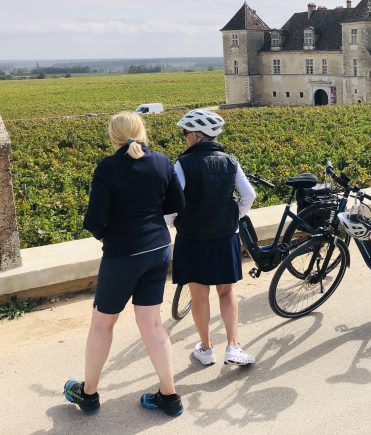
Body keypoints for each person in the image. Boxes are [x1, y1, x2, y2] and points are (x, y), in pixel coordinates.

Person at [65, 112, 185, 416]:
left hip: (123, 255)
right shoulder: (162, 161)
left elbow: (94, 220)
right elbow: (177, 205)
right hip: (158, 249)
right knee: (152, 324)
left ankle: (88, 394)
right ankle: (169, 396)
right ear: (142, 131)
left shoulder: (107, 168)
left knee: (103, 324)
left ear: (113, 136)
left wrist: (110, 234)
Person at [171, 109, 257, 367]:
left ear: (197, 135)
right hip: (224, 236)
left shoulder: (182, 163)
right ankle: (233, 346)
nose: (184, 137)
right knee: (227, 292)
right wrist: (233, 219)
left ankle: (207, 349)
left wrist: (177, 223)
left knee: (199, 296)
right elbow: (248, 196)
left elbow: (173, 204)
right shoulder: (231, 161)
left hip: (193, 238)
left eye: (186, 133)